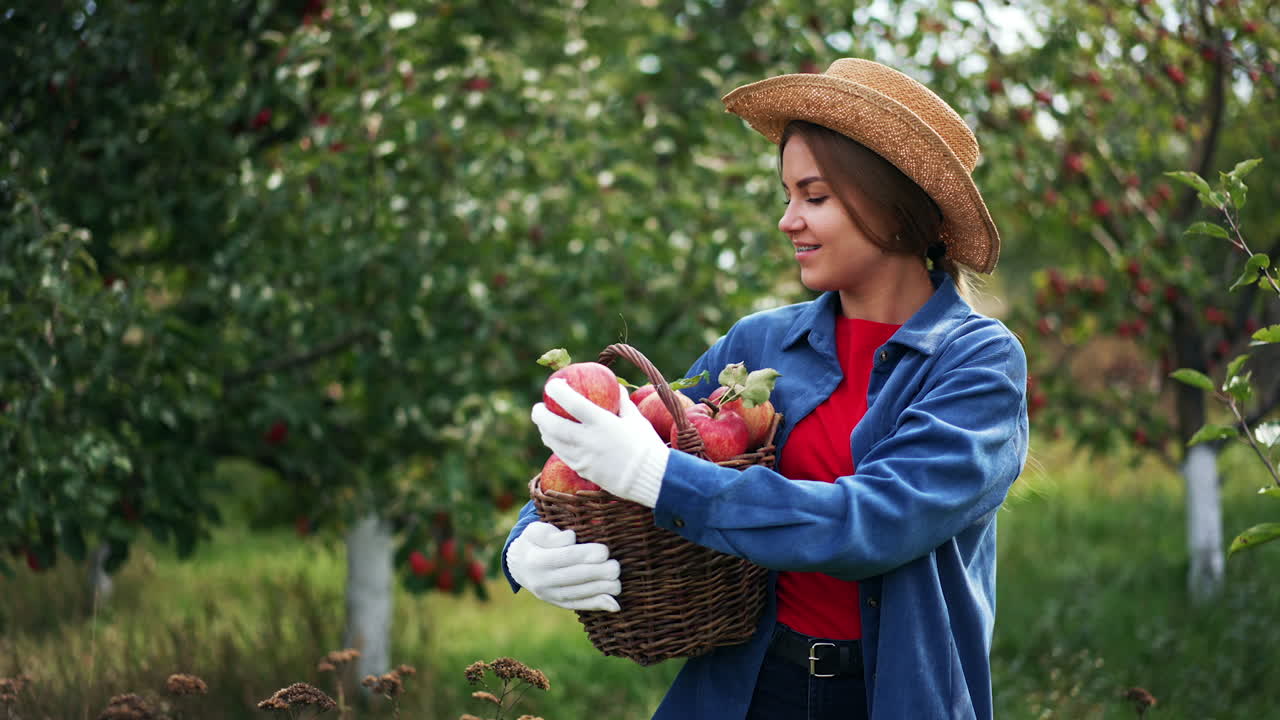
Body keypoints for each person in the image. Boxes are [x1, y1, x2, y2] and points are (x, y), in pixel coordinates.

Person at [502, 58, 1029, 720]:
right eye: (787, 196)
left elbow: (873, 524)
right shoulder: (760, 348)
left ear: (892, 208)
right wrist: (526, 542)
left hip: (890, 697)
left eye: (814, 197)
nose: (788, 221)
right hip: (746, 690)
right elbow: (635, 444)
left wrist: (657, 477)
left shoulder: (976, 363)